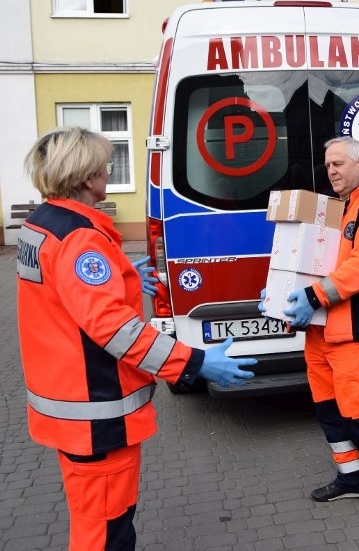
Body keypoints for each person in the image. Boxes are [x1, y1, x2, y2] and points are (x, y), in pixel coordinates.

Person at [16, 126, 257, 551]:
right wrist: (194, 362)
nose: (109, 172)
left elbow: (65, 297)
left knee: (93, 522)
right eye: (105, 166)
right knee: (107, 533)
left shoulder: (41, 225)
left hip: (68, 406)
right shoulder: (79, 239)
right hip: (96, 413)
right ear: (88, 177)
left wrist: (125, 275)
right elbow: (115, 330)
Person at [272, 136, 359, 519]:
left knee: (357, 413)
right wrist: (285, 294)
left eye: (339, 164)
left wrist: (312, 297)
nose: (331, 170)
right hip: (321, 331)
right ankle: (352, 477)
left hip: (352, 329)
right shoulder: (340, 207)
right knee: (328, 410)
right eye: (328, 164)